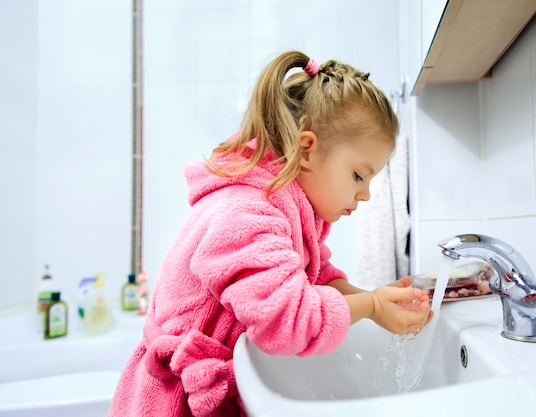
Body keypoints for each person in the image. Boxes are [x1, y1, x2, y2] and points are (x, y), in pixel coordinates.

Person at [109, 50, 433, 417]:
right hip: (172, 402)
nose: (365, 194)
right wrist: (371, 306)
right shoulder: (246, 213)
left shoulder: (285, 208)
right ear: (307, 149)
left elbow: (316, 277)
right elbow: (285, 318)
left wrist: (375, 299)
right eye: (359, 175)